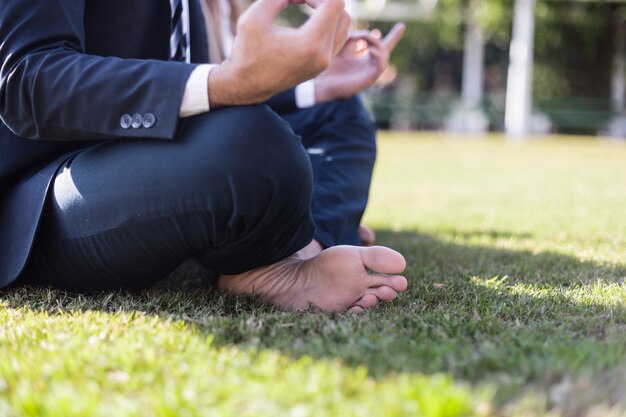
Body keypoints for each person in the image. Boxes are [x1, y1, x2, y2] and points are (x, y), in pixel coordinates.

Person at [0, 0, 408, 313]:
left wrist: (312, 87)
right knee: (249, 143)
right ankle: (287, 234)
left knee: (340, 111)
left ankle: (303, 246)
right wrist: (225, 81)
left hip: (149, 154)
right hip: (45, 194)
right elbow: (29, 82)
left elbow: (182, 84)